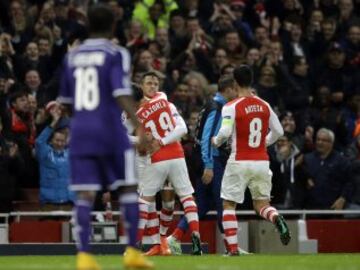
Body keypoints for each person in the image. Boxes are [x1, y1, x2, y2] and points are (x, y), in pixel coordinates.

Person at [58, 4, 152, 270]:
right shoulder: (116, 53)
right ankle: (133, 252)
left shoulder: (72, 56)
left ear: (88, 25)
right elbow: (121, 92)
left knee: (85, 195)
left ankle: (85, 257)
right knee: (128, 188)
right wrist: (140, 126)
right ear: (113, 26)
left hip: (81, 131)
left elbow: (66, 102)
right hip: (110, 129)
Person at [212, 65, 291, 255]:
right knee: (262, 205)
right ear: (252, 80)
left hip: (239, 161)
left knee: (229, 204)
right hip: (262, 162)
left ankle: (232, 250)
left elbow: (224, 131)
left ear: (235, 83)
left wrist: (216, 141)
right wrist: (264, 143)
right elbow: (279, 131)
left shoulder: (231, 106)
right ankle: (276, 218)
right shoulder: (264, 104)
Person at [167, 74, 238, 254]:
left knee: (202, 204)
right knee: (223, 202)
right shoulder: (217, 108)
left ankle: (174, 237)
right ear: (228, 89)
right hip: (211, 161)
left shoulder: (210, 104)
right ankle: (232, 247)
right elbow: (206, 138)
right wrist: (208, 165)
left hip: (203, 159)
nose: (237, 93)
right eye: (235, 89)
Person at [136, 71, 202, 256]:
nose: (153, 86)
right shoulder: (164, 103)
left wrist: (155, 142)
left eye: (156, 83)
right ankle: (187, 235)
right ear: (141, 86)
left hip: (158, 156)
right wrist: (141, 141)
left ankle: (152, 242)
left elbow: (182, 128)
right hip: (165, 156)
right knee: (186, 197)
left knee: (162, 202)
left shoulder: (161, 104)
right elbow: (181, 128)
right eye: (149, 83)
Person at [35, 102, 74, 208]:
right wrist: (54, 121)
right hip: (49, 202)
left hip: (69, 201)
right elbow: (39, 142)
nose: (59, 143)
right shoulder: (45, 154)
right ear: (51, 141)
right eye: (57, 140)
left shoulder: (71, 155)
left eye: (62, 141)